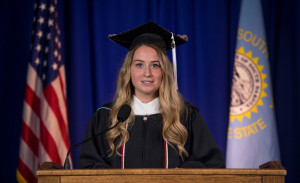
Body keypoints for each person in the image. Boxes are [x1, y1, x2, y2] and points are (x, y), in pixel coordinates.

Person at [78, 21, 225, 169]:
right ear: (128, 70)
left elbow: (212, 166)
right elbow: (88, 167)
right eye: (139, 64)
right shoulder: (105, 118)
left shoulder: (185, 117)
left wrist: (178, 176)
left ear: (165, 71)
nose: (147, 73)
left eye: (155, 65)